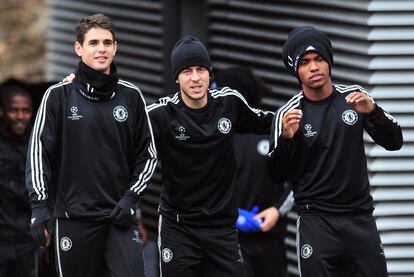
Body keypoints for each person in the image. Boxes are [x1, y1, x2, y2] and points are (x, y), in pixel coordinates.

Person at [26, 13, 157, 277]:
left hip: (119, 217)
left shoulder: (131, 96)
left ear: (115, 47)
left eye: (107, 43)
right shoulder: (58, 96)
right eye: (94, 43)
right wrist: (39, 208)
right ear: (78, 48)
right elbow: (39, 153)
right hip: (73, 220)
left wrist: (131, 198)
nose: (102, 49)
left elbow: (149, 155)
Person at [269, 25, 403, 277]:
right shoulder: (288, 114)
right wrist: (288, 139)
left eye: (319, 59)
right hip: (316, 222)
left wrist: (373, 113)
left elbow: (395, 141)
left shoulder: (354, 97)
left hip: (359, 218)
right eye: (305, 62)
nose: (314, 67)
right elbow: (275, 174)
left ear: (329, 61)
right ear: (295, 70)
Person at [147, 35, 274, 276]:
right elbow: (120, 133)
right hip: (179, 229)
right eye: (186, 71)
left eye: (200, 69)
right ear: (176, 77)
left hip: (221, 230)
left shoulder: (229, 103)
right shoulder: (162, 114)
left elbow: (266, 121)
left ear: (209, 73)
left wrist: (296, 122)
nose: (195, 78)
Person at [212, 66, 293, 277]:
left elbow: (300, 182)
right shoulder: (214, 137)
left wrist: (277, 210)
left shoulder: (275, 130)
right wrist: (233, 216)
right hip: (228, 242)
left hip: (270, 243)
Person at [0, 81, 37, 277]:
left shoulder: (39, 142)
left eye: (26, 110)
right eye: (14, 110)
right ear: (2, 112)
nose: (21, 116)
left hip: (28, 242)